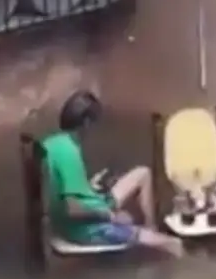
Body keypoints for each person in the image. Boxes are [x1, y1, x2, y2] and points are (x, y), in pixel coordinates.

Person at [41, 90, 185, 257]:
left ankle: (150, 230)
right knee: (173, 244)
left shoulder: (53, 143)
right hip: (83, 230)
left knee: (142, 174)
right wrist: (109, 215)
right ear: (87, 122)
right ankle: (156, 250)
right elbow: (72, 207)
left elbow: (62, 189)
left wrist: (88, 187)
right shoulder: (70, 152)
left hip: (85, 210)